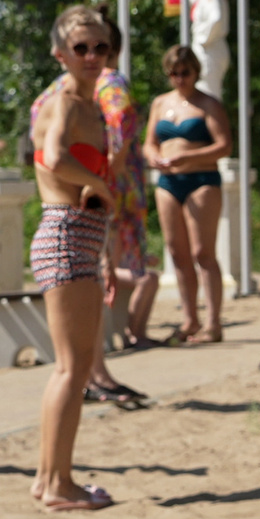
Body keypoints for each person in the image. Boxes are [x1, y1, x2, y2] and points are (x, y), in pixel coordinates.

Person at [29, 4, 123, 511]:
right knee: (72, 368)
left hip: (81, 238)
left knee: (75, 365)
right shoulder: (66, 100)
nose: (91, 56)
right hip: (64, 234)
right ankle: (58, 484)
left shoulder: (91, 106)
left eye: (100, 47)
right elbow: (53, 156)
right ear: (60, 53)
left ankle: (50, 477)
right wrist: (98, 185)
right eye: (80, 47)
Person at [140, 43, 233, 344]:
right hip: (168, 182)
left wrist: (189, 159)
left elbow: (224, 146)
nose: (180, 79)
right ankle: (189, 319)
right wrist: (153, 156)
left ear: (196, 72)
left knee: (202, 253)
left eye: (185, 73)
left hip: (201, 179)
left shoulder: (208, 105)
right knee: (178, 253)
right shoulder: (160, 103)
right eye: (174, 73)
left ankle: (213, 322)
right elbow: (149, 141)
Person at [100, 60, 161, 348]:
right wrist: (116, 168)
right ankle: (135, 335)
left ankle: (135, 334)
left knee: (149, 275)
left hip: (117, 192)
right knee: (147, 279)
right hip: (110, 189)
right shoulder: (110, 84)